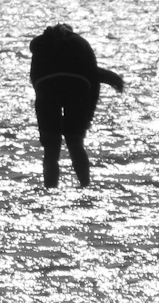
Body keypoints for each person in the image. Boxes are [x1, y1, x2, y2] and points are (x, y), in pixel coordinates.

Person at [29, 23, 124, 188]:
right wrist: (85, 120)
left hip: (47, 89)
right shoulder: (81, 45)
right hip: (77, 89)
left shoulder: (42, 48)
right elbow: (93, 82)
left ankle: (50, 189)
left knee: (51, 147)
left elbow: (37, 82)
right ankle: (85, 186)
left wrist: (47, 121)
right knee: (75, 142)